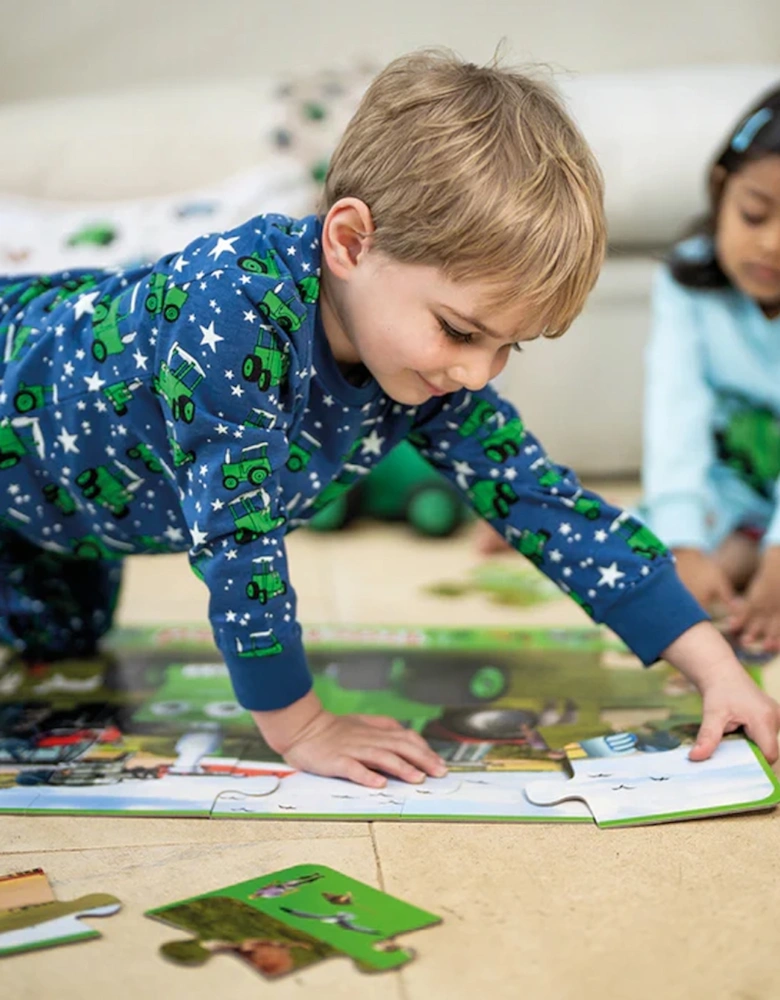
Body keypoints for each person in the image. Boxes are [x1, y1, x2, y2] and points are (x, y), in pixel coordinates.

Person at [0, 51, 777, 788]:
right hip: (17, 423)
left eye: (510, 347)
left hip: (72, 520)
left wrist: (716, 668)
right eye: (461, 331)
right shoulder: (230, 310)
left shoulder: (421, 366)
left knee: (62, 649)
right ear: (349, 240)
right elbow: (239, 541)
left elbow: (544, 501)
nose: (475, 372)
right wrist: (299, 724)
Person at [641, 84, 780, 653]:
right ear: (721, 192)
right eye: (754, 213)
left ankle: (758, 547)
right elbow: (675, 409)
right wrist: (682, 539)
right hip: (732, 484)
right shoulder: (686, 281)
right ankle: (743, 546)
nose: (772, 244)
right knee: (651, 564)